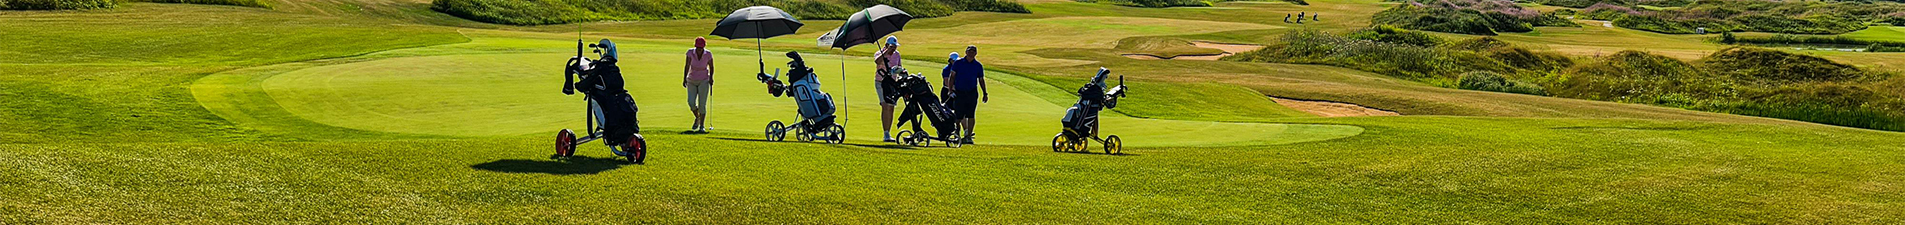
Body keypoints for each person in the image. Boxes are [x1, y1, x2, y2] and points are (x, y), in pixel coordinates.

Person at [946, 45, 989, 144]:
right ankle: (956, 133)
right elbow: (952, 77)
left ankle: (968, 136)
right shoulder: (958, 63)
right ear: (966, 52)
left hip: (972, 92)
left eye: (973, 51)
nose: (971, 53)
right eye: (969, 51)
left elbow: (981, 80)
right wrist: (950, 90)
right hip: (959, 92)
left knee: (971, 115)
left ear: (976, 53)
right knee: (958, 116)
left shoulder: (978, 65)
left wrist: (985, 93)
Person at [873, 36, 903, 142]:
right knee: (885, 106)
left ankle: (888, 133)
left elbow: (900, 68)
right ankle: (886, 134)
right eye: (892, 47)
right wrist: (886, 52)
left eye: (895, 47)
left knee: (891, 107)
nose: (894, 49)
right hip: (880, 82)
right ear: (886, 45)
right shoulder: (879, 53)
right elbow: (877, 61)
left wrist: (900, 72)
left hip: (892, 84)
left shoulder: (897, 55)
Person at [683, 37, 715, 133]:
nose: (699, 49)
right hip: (691, 79)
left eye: (701, 48)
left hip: (704, 80)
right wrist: (684, 78)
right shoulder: (690, 53)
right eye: (698, 47)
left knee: (702, 104)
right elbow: (687, 65)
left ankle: (702, 126)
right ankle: (697, 117)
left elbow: (711, 66)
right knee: (691, 102)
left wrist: (711, 78)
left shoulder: (708, 54)